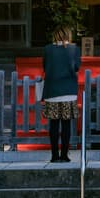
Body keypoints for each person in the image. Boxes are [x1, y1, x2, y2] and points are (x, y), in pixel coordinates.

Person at [41, 24, 80, 163]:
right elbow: (77, 67)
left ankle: (54, 155)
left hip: (52, 91)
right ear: (68, 35)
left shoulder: (48, 49)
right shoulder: (74, 49)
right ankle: (64, 155)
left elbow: (45, 67)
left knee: (54, 124)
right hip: (68, 90)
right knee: (66, 124)